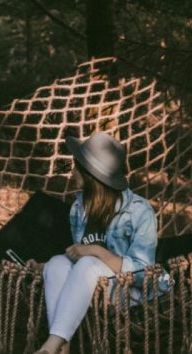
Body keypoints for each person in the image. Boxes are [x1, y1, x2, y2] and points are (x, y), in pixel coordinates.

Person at [34, 131, 169, 354]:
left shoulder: (139, 211)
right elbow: (78, 260)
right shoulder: (79, 208)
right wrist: (44, 267)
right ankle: (61, 347)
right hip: (91, 285)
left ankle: (49, 348)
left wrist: (97, 251)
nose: (72, 171)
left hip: (129, 292)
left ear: (90, 174)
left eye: (77, 167)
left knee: (88, 263)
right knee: (57, 263)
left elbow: (144, 274)